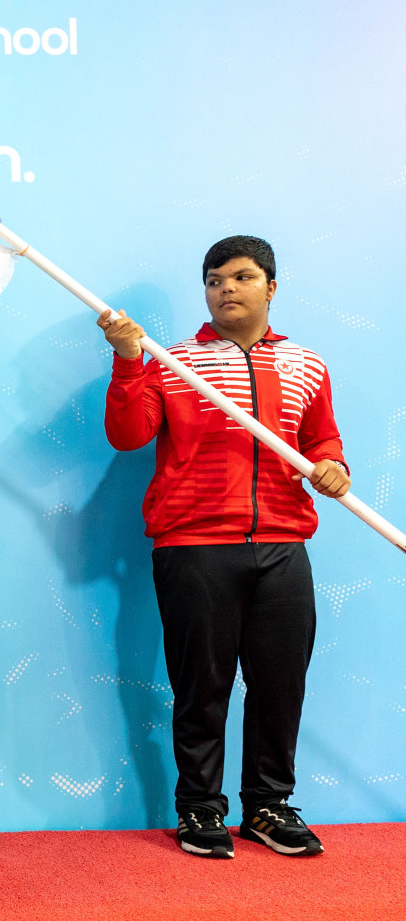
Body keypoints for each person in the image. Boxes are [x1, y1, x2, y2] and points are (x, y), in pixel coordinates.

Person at [99, 235, 349, 860]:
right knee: (202, 684)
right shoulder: (172, 361)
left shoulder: (306, 365)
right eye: (214, 280)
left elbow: (323, 441)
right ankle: (200, 810)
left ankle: (268, 806)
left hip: (284, 545)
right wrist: (129, 360)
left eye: (240, 277)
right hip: (194, 545)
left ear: (271, 286)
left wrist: (332, 467)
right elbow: (128, 435)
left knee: (279, 683)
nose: (226, 289)